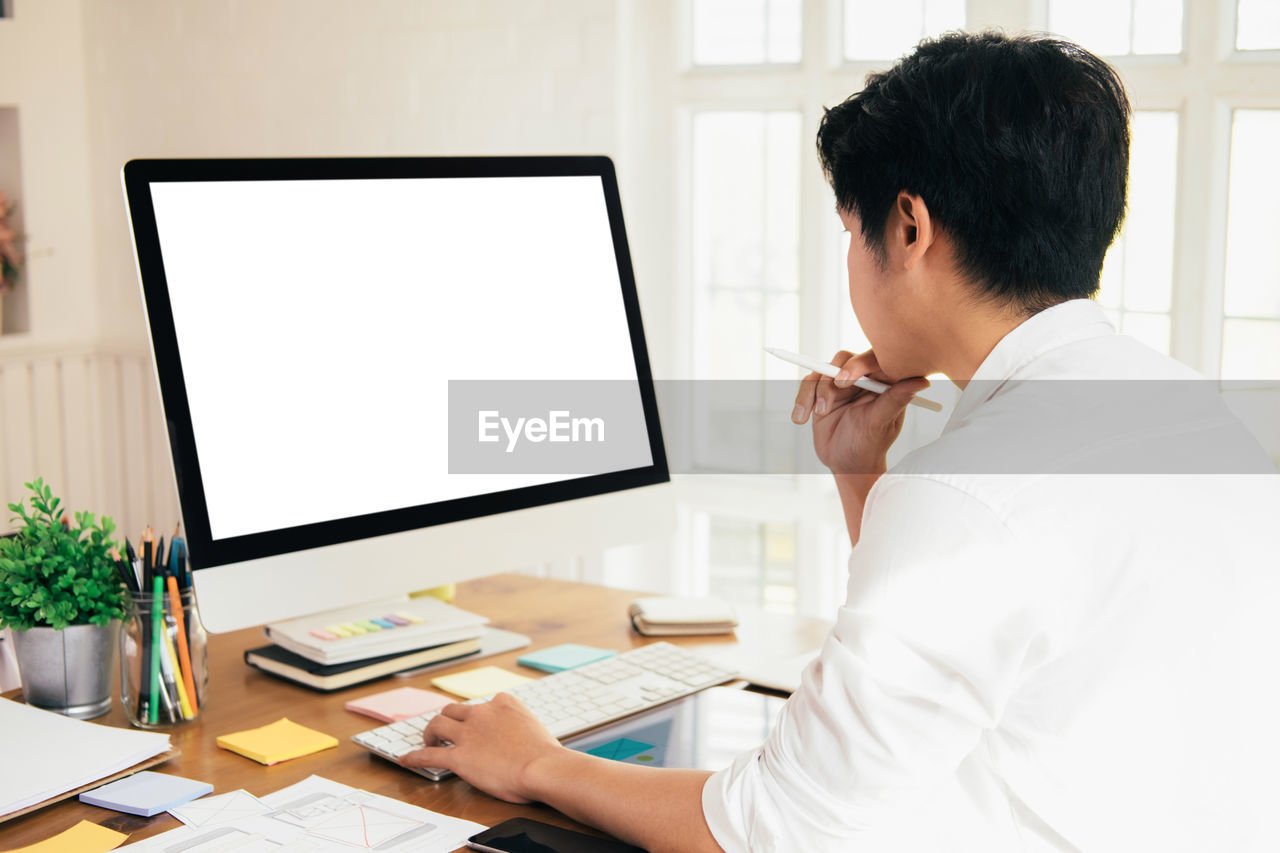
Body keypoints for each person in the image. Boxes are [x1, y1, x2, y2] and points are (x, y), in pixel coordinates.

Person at [403, 31, 1280, 851]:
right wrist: (862, 477)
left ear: (908, 227)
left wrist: (536, 761)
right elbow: (977, 654)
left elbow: (774, 829)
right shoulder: (1191, 411)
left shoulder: (969, 490)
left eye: (850, 233)